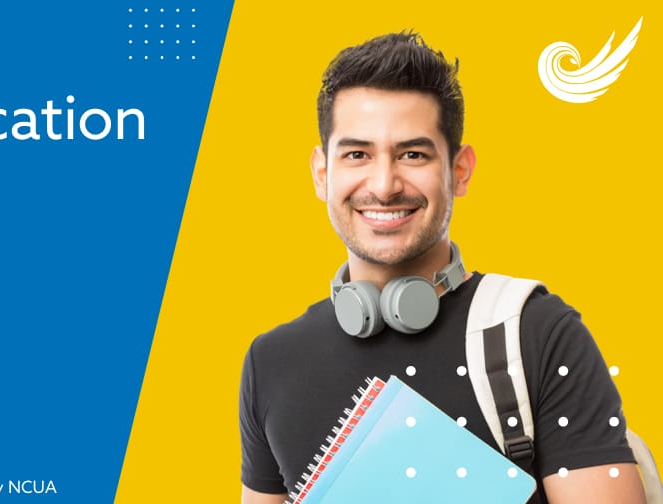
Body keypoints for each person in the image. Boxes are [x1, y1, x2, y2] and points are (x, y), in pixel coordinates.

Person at [239, 32, 645, 504]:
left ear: (460, 170)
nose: (385, 185)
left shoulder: (539, 332)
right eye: (357, 154)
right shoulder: (271, 362)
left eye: (413, 154)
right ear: (322, 173)